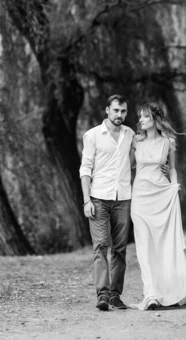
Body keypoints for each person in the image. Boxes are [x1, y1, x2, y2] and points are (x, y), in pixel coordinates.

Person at [130, 102, 186, 310]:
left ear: (155, 119)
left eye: (145, 116)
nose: (141, 120)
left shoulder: (169, 141)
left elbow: (172, 168)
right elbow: (127, 166)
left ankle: (173, 289)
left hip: (162, 195)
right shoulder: (135, 141)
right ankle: (151, 295)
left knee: (164, 245)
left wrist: (175, 187)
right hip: (140, 196)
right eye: (140, 117)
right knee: (144, 246)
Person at [79, 94, 134, 311]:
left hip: (123, 199)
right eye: (116, 111)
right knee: (101, 246)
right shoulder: (92, 135)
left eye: (123, 111)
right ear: (107, 111)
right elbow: (85, 169)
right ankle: (102, 295)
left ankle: (115, 295)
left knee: (120, 249)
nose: (120, 115)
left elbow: (139, 156)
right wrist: (86, 201)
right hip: (98, 198)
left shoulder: (130, 134)